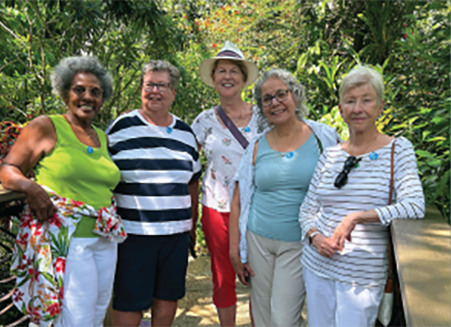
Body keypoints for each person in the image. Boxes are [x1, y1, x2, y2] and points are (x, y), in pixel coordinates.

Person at [0, 56, 126, 327]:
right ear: (65, 92)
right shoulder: (47, 126)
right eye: (79, 89)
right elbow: (7, 169)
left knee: (98, 312)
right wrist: (30, 187)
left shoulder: (101, 137)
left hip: (104, 237)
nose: (87, 97)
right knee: (75, 318)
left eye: (95, 92)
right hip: (69, 240)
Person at [299, 65, 425, 326]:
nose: (358, 108)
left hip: (361, 275)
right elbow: (307, 208)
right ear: (341, 109)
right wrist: (315, 237)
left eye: (366, 100)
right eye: (350, 101)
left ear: (379, 107)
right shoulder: (331, 154)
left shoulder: (397, 150)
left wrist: (356, 217)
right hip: (317, 265)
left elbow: (414, 205)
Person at [230, 69, 341, 326]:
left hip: (299, 241)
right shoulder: (256, 145)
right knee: (262, 316)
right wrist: (235, 252)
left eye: (282, 94)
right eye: (267, 99)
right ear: (261, 107)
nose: (275, 103)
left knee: (283, 319)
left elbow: (343, 186)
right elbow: (238, 199)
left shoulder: (323, 137)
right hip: (258, 239)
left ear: (296, 96)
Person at [108, 60, 201, 327]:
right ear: (141, 90)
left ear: (173, 92)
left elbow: (193, 182)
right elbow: (103, 175)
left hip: (175, 234)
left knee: (167, 299)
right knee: (129, 302)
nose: (155, 91)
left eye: (163, 85)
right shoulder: (119, 128)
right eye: (150, 85)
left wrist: (192, 227)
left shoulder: (186, 133)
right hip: (134, 234)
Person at [191, 41, 260, 327]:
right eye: (221, 71)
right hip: (216, 206)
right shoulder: (203, 120)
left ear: (244, 80)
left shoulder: (265, 117)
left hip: (259, 208)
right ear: (214, 79)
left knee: (261, 273)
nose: (227, 76)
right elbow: (187, 165)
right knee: (222, 274)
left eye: (234, 71)